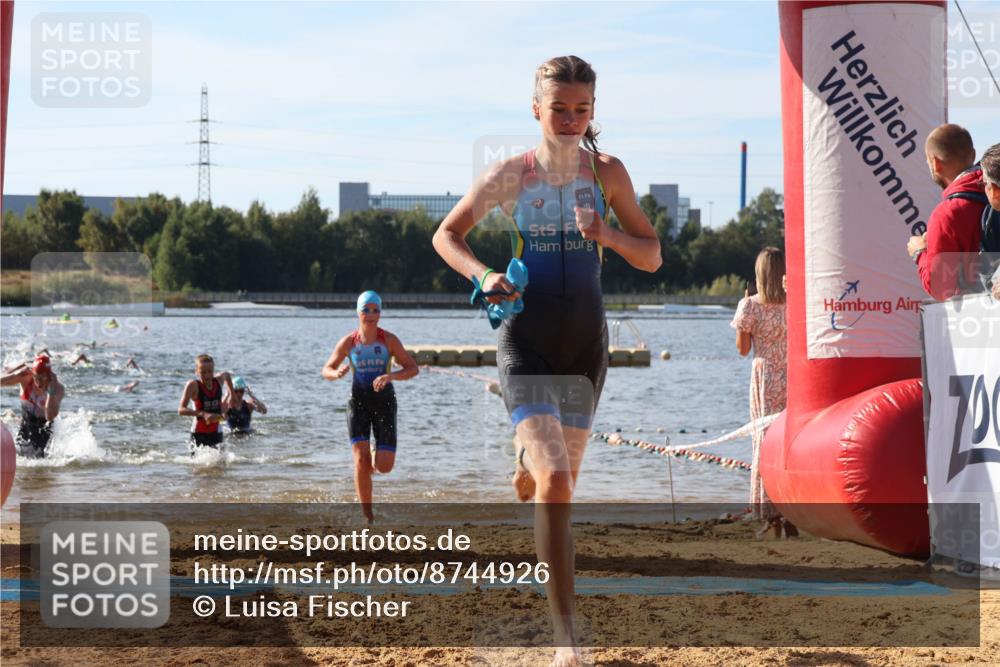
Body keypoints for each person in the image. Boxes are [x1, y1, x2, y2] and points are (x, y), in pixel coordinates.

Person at [432, 55, 661, 667]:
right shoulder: (512, 174)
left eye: (581, 109)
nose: (569, 119)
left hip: (587, 348)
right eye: (558, 107)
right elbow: (446, 235)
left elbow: (652, 255)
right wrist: (483, 274)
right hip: (523, 340)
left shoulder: (607, 173)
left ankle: (527, 464)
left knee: (558, 487)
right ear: (536, 109)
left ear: (593, 113)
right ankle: (568, 644)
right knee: (557, 482)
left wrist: (607, 235)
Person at [322, 292, 419, 523]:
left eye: (376, 310)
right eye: (367, 309)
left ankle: (376, 453)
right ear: (358, 312)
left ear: (381, 313)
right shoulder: (349, 342)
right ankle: (367, 515)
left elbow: (412, 369)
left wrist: (391, 376)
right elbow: (326, 368)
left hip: (385, 403)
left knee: (384, 467)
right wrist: (335, 373)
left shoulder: (389, 341)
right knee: (360, 460)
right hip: (358, 403)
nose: (371, 314)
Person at [732, 248, 797, 539]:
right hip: (793, 374)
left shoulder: (750, 305)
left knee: (764, 440)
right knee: (790, 440)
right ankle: (793, 511)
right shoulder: (795, 303)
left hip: (765, 375)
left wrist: (742, 317)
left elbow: (743, 350)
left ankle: (769, 515)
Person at [906, 124, 989, 300]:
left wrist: (919, 252)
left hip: (979, 318)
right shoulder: (994, 192)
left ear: (935, 164)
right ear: (973, 155)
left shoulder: (946, 215)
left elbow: (939, 287)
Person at [0, 355, 65, 456]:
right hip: (26, 425)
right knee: (19, 455)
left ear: (49, 376)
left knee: (39, 460)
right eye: (36, 377)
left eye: (43, 377)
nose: (39, 382)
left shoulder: (58, 388)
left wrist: (50, 392)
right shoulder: (26, 378)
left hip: (45, 430)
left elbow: (50, 416)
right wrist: (16, 373)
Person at [178, 355, 234, 450]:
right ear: (196, 372)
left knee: (221, 464)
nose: (207, 376)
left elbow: (227, 375)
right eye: (203, 372)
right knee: (197, 464)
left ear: (213, 370)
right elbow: (181, 410)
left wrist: (232, 395)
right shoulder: (193, 386)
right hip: (198, 434)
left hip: (216, 433)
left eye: (210, 372)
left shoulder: (218, 381)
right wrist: (203, 414)